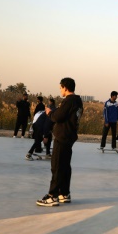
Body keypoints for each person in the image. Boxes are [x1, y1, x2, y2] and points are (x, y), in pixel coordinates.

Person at [36, 78, 83, 207]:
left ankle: (52, 195)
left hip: (62, 136)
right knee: (65, 166)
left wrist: (50, 113)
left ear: (65, 88)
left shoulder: (68, 101)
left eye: (61, 88)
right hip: (70, 136)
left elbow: (58, 117)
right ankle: (64, 193)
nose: (60, 90)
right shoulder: (78, 101)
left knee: (56, 166)